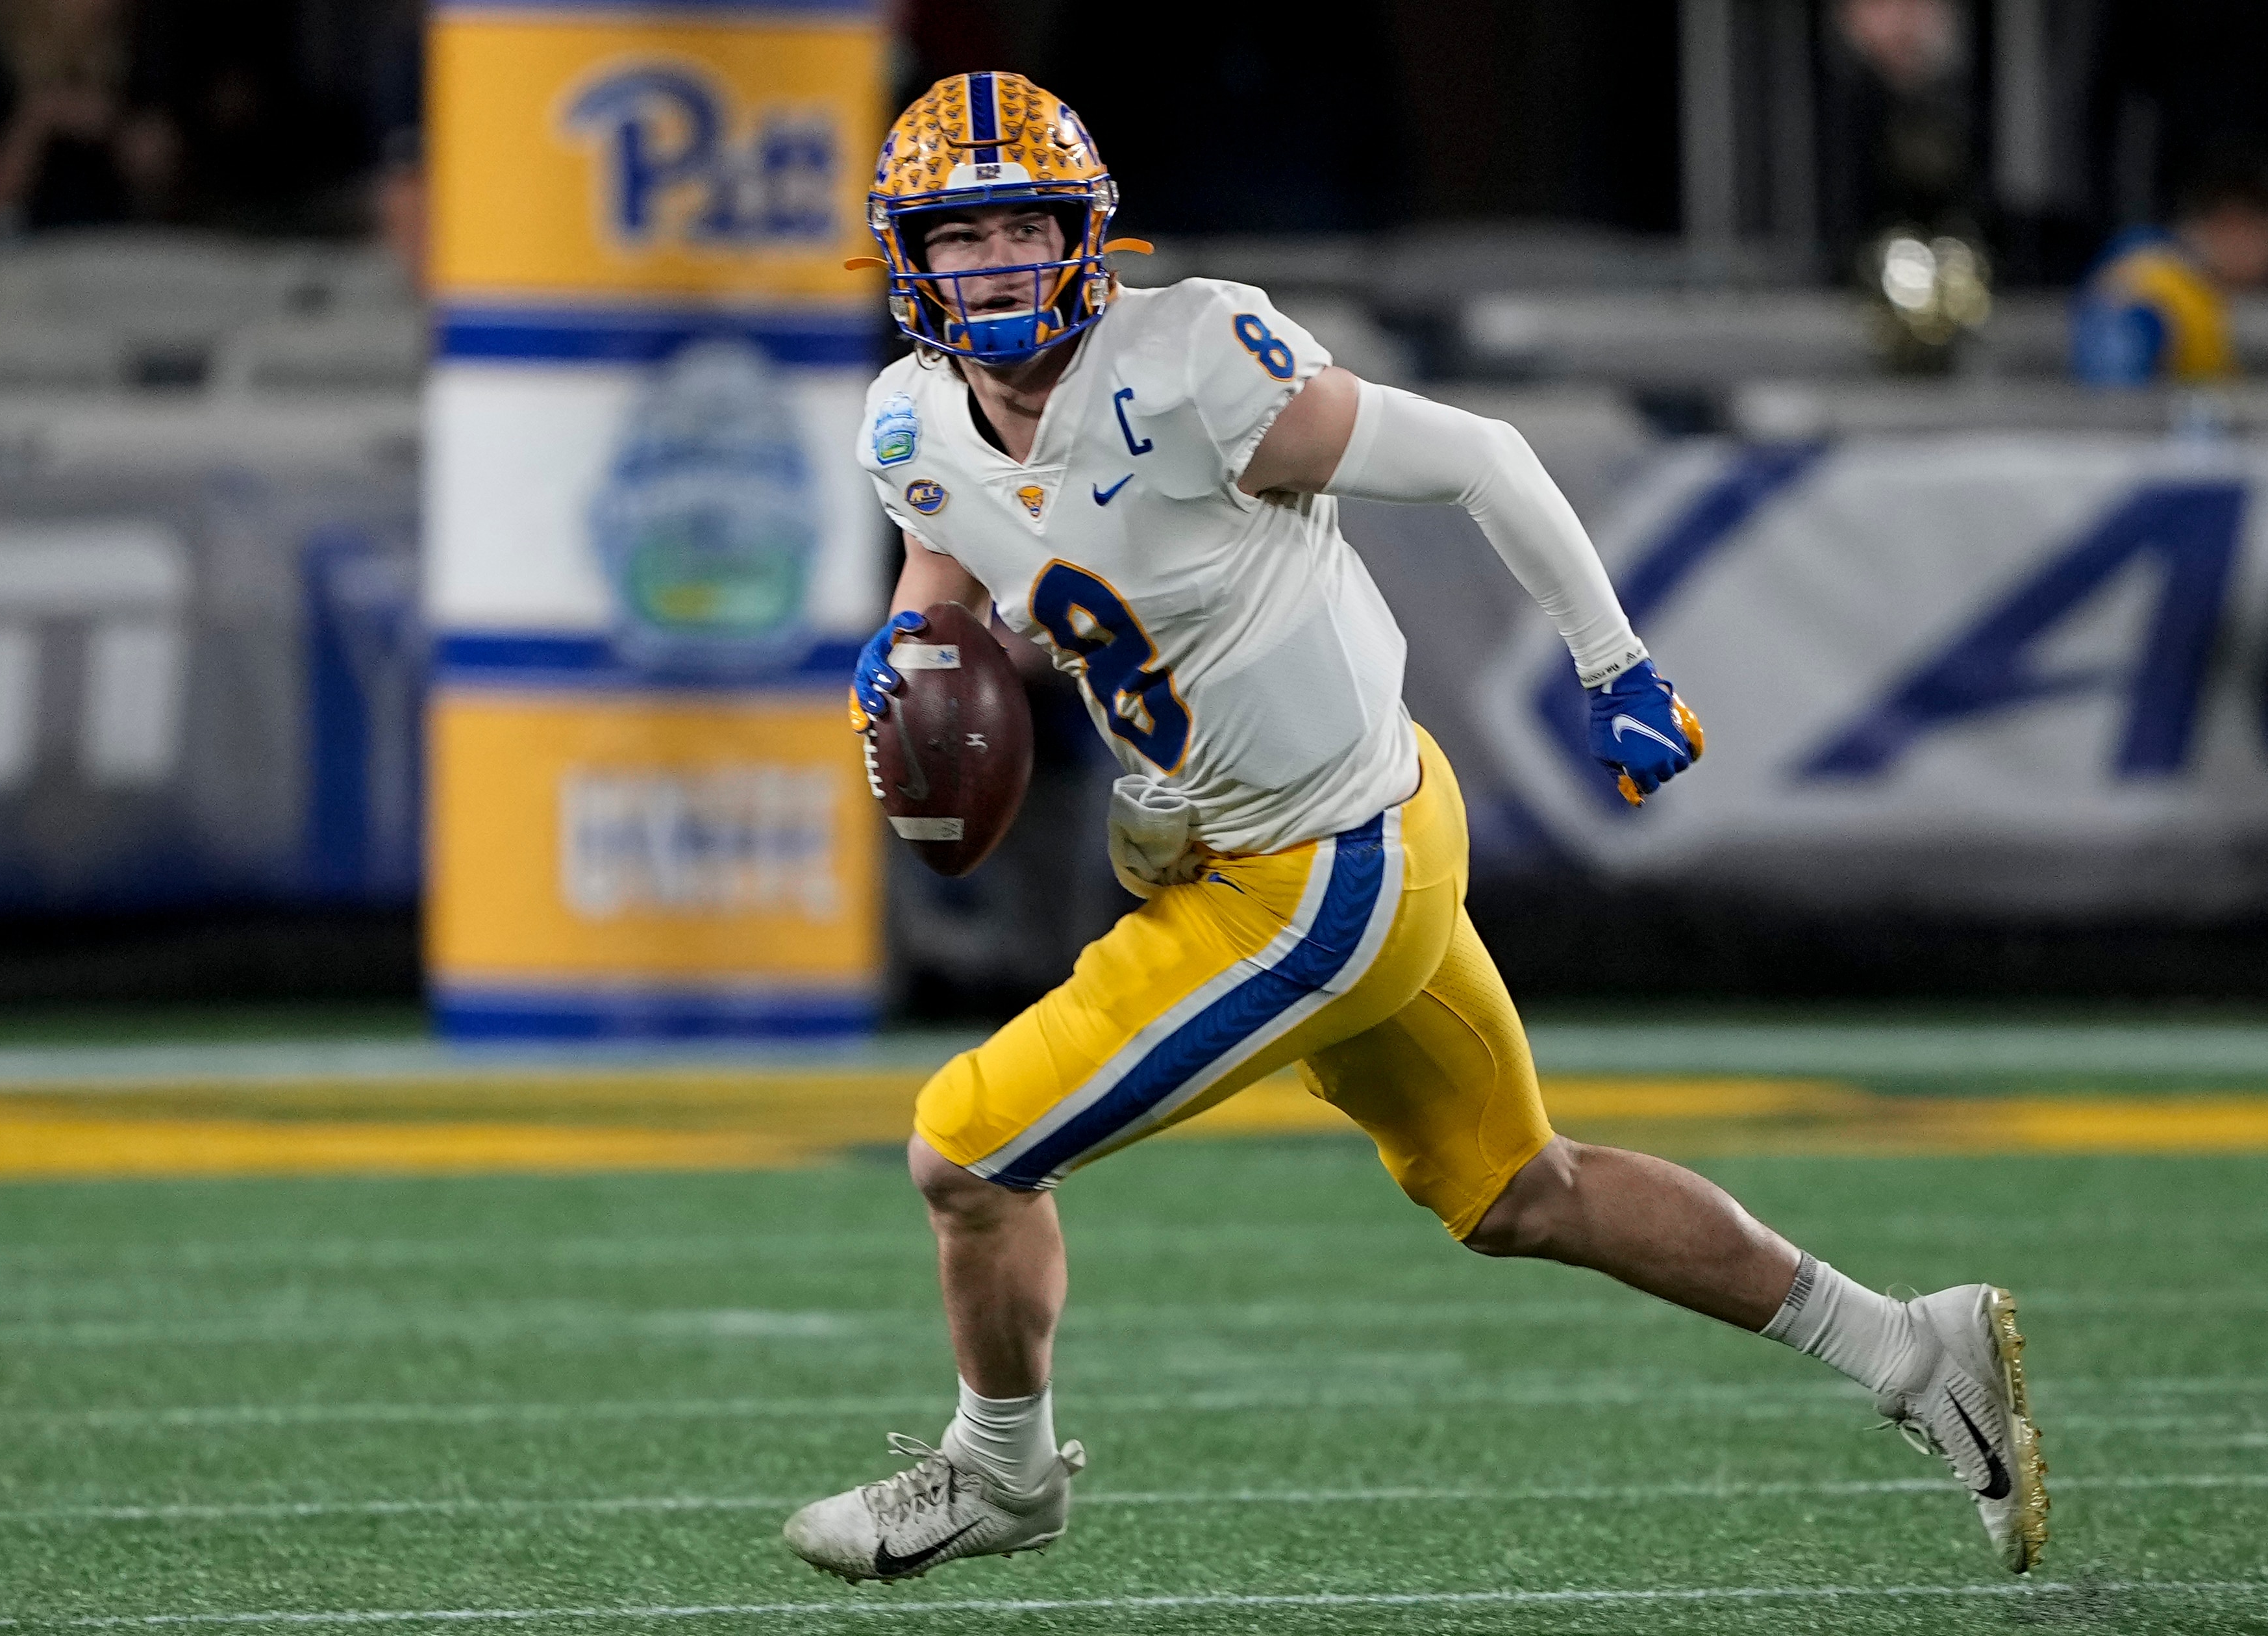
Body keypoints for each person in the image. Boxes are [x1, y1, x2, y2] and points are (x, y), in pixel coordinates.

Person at [785, 71, 2047, 1587]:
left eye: (1021, 228)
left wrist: (1613, 664)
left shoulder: (1189, 365)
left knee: (965, 1153)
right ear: (906, 256)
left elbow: (1479, 457)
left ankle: (999, 1470)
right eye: (960, 235)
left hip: (1315, 869)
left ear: (1083, 235)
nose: (994, 265)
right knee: (1520, 1190)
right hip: (1274, 834)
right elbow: (943, 570)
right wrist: (907, 661)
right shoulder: (907, 420)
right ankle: (1907, 1344)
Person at [0, 0, 177, 234]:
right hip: (15, 250)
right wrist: (37, 121)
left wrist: (141, 150)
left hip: (108, 245)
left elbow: (160, 188)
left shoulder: (126, 65)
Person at [2073, 166, 2268, 386]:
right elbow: (2113, 379)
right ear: (2229, 224)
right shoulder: (2155, 275)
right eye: (2253, 231)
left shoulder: (2206, 290)